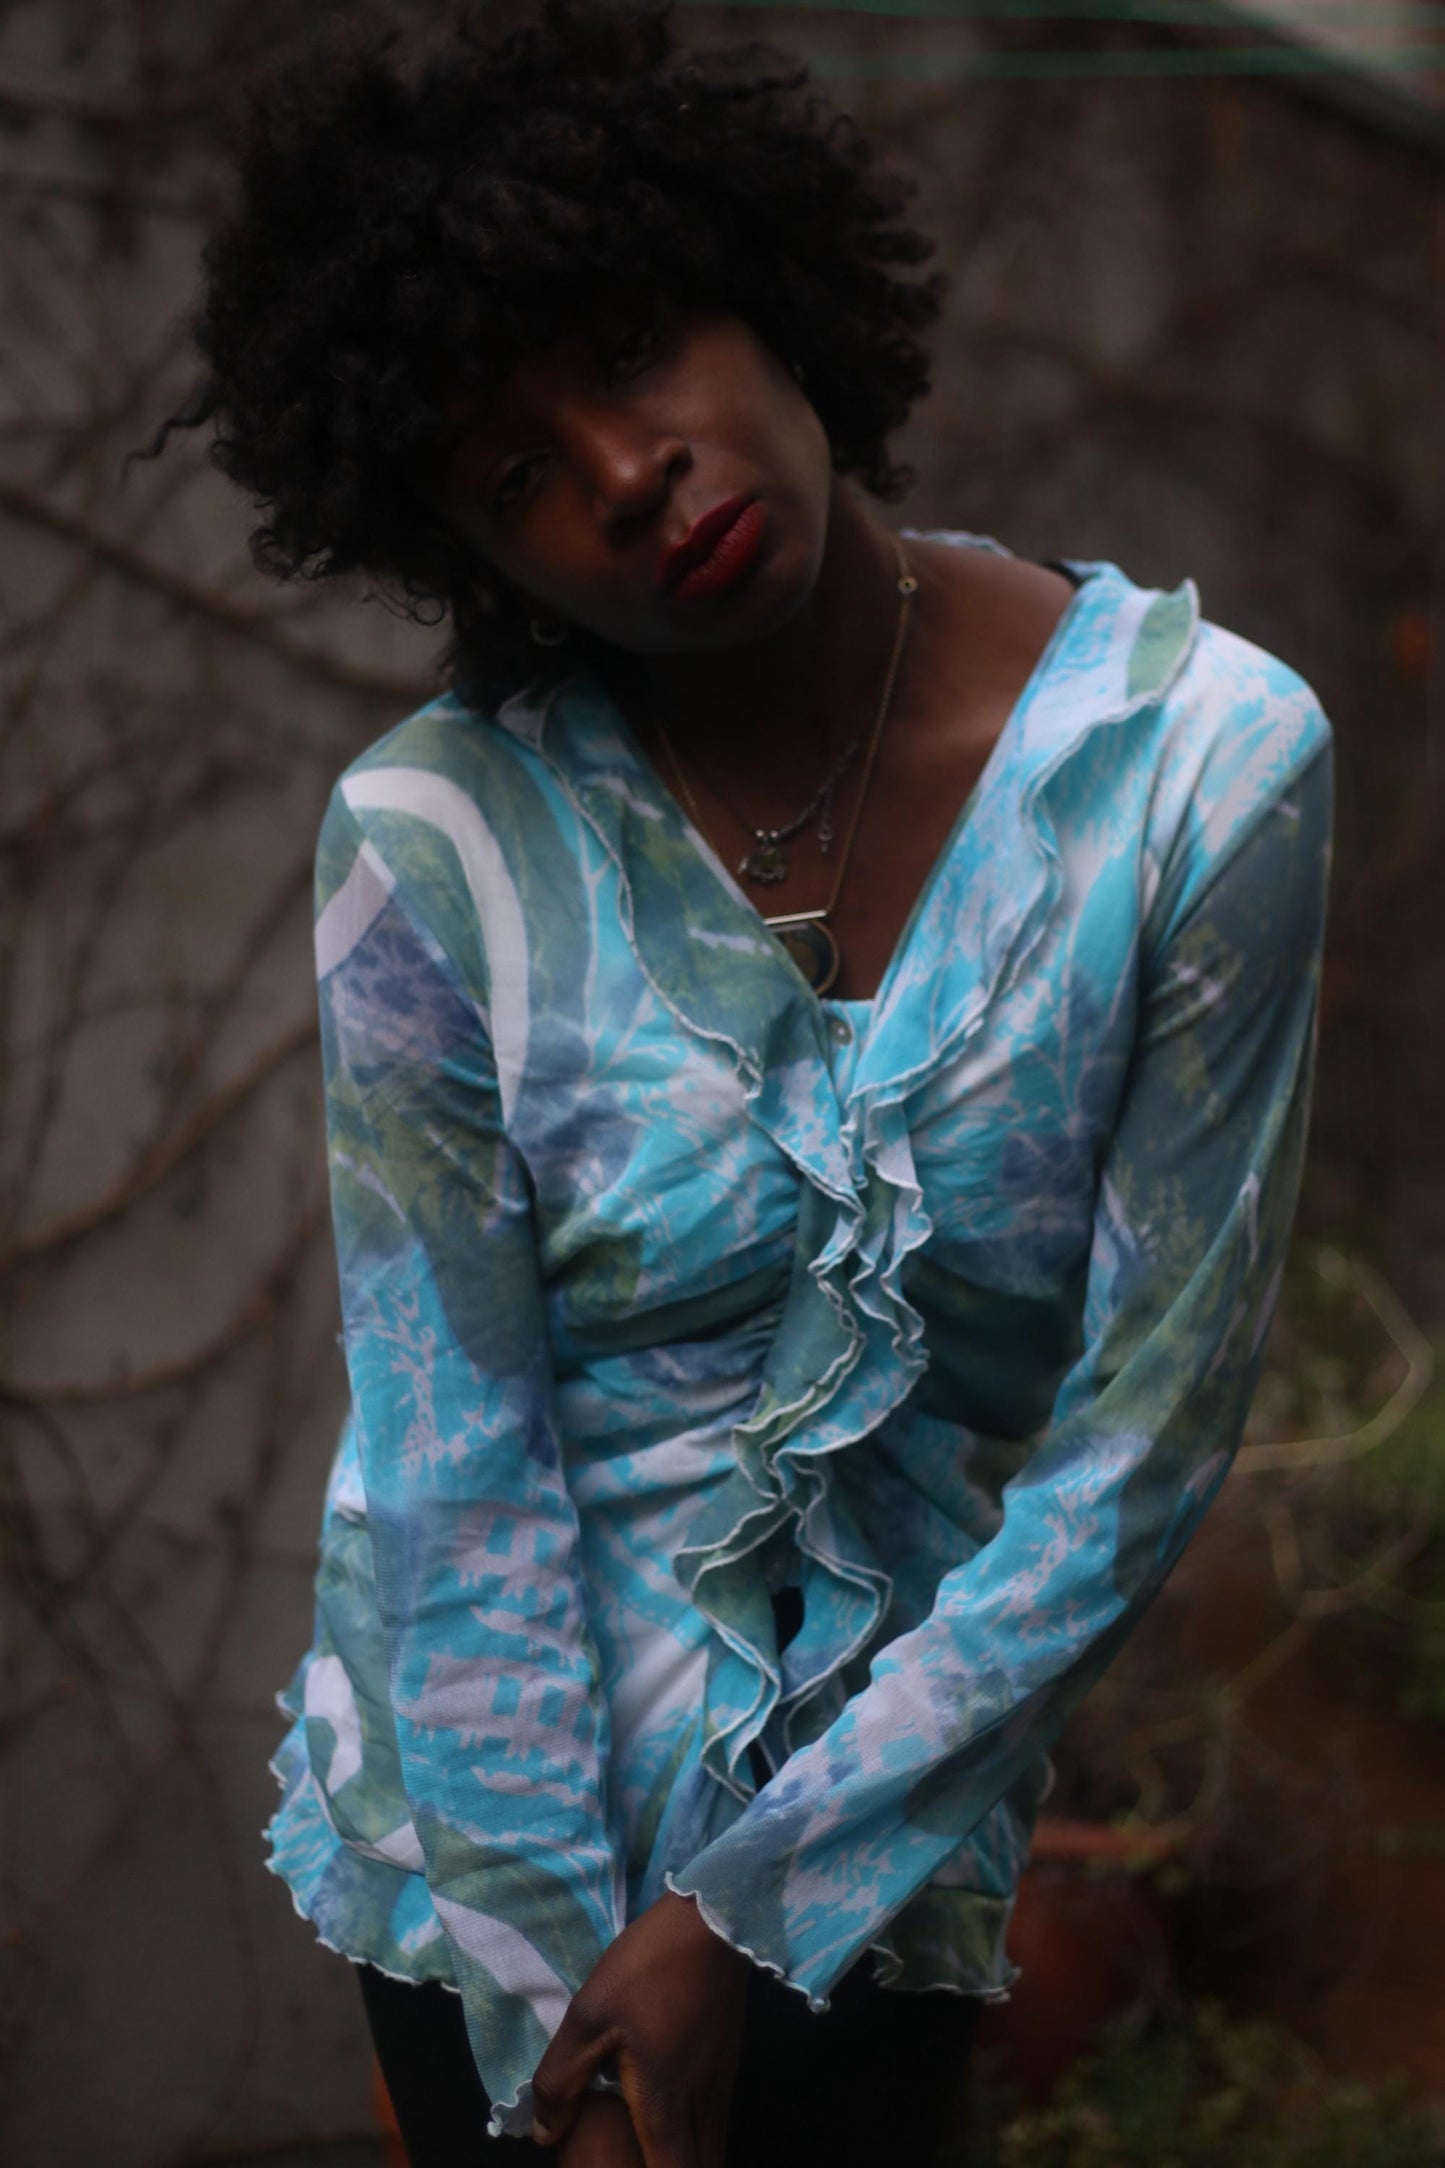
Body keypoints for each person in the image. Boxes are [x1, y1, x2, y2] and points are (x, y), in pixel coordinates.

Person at [151, 2, 1334, 2162]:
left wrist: (738, 1913)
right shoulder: (436, 850)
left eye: (625, 346)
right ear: (468, 557)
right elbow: (454, 1468)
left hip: (863, 1874)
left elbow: (1142, 1440)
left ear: (761, 282)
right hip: (476, 1862)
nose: (622, 471)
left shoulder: (1203, 777)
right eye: (514, 474)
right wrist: (553, 2041)